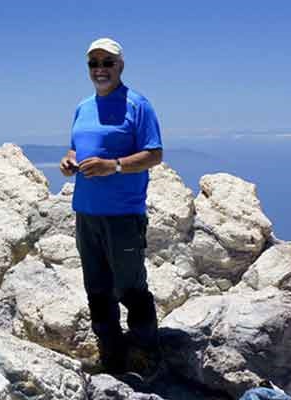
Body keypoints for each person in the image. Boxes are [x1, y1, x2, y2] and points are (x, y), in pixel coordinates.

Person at [60, 37, 163, 374]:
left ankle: (145, 356)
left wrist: (113, 166)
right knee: (97, 288)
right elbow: (77, 147)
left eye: (107, 62)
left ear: (121, 66)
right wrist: (70, 160)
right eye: (94, 63)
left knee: (130, 288)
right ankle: (111, 357)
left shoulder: (138, 105)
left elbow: (154, 154)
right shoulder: (82, 107)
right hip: (86, 212)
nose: (100, 69)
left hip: (122, 214)